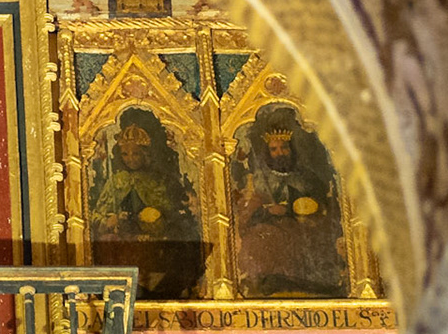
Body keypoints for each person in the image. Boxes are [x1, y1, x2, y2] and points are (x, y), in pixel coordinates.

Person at [231, 103, 347, 297]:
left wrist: (306, 209)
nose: (280, 153)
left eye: (284, 148)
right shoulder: (258, 179)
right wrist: (267, 211)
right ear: (268, 152)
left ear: (291, 149)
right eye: (274, 149)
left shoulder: (306, 176)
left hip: (306, 226)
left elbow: (324, 205)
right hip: (269, 229)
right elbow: (246, 214)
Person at [87, 106, 204, 300]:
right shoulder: (116, 181)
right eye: (125, 154)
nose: (130, 159)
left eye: (135, 154)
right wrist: (110, 220)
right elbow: (97, 215)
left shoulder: (158, 181)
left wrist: (155, 223)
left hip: (152, 237)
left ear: (145, 154)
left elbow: (170, 214)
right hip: (122, 236)